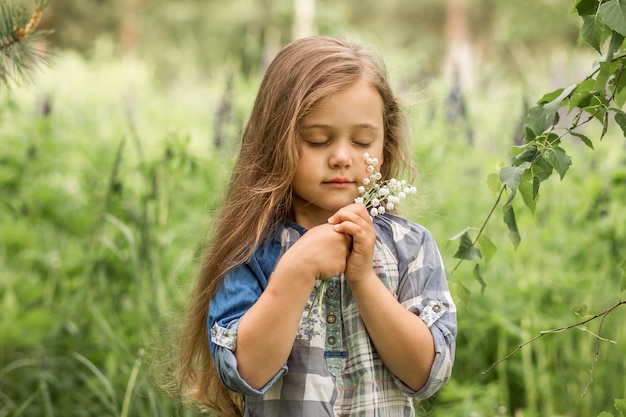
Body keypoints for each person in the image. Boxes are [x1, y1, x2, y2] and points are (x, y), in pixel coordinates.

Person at [175, 35, 456, 417]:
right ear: (274, 142)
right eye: (317, 140)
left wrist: (364, 279)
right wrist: (298, 268)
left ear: (385, 145)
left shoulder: (410, 246)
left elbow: (427, 373)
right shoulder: (252, 249)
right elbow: (244, 372)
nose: (342, 157)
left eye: (362, 141)